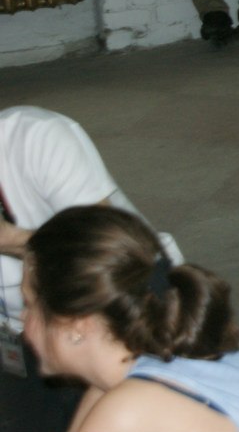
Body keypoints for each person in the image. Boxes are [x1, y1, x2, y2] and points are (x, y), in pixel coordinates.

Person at [22, 205, 239, 432]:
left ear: (77, 324)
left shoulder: (129, 412)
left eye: (30, 305)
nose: (23, 320)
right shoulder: (140, 373)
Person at [0, 107, 182, 432]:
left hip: (124, 304)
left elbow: (100, 255)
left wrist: (11, 239)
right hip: (25, 336)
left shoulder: (37, 136)